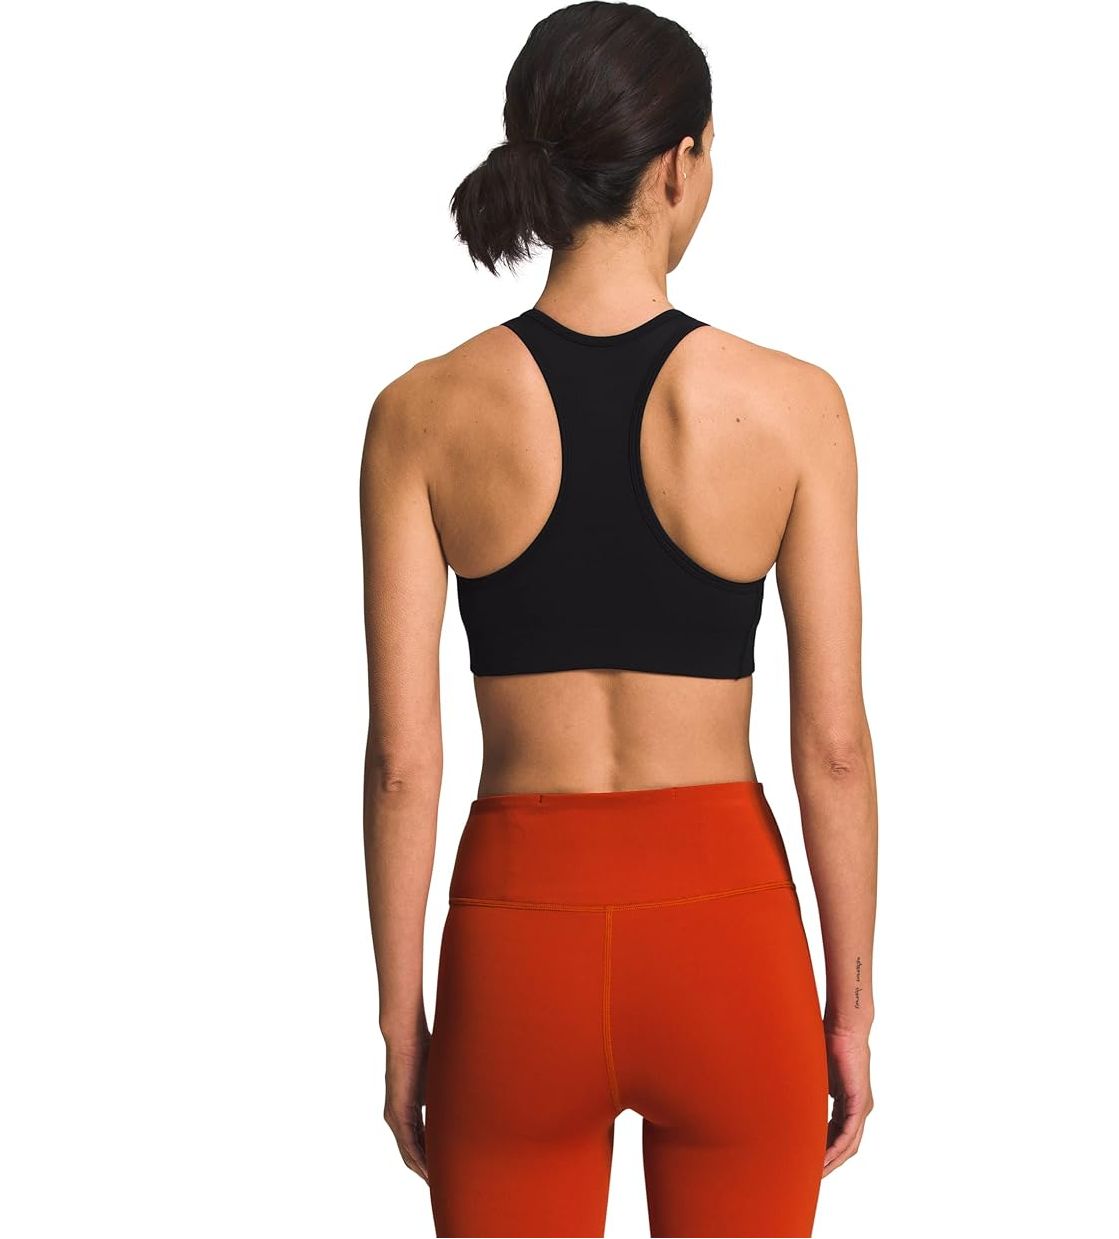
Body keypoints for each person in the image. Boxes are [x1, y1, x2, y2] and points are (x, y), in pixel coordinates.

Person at [359, 3, 878, 1235]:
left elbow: (403, 764)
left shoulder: (422, 413)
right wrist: (850, 1013)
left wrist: (402, 1024)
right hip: (729, 943)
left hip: (516, 953)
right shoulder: (793, 406)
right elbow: (834, 750)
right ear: (678, 163)